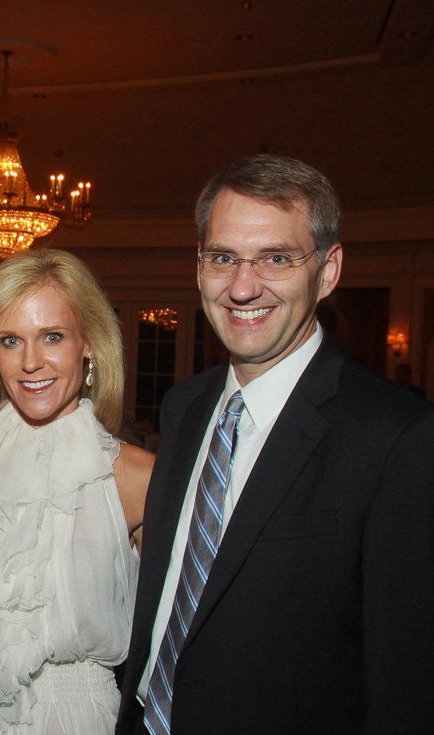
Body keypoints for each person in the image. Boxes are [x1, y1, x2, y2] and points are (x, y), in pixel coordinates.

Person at [116, 154, 434, 735]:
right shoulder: (185, 407)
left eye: (277, 259)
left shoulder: (396, 438)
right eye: (223, 258)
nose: (242, 287)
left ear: (329, 270)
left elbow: (404, 678)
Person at [0, 248, 154, 734]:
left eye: (53, 337)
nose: (31, 362)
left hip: (80, 715)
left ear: (88, 342)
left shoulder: (137, 478)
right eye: (10, 340)